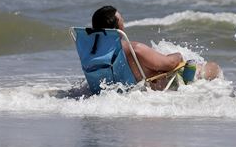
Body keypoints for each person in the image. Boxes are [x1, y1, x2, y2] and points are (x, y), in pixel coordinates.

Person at [91, 6, 222, 89]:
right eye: (122, 20)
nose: (124, 22)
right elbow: (170, 64)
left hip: (115, 86)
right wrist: (178, 55)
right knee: (212, 67)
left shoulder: (94, 52)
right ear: (118, 29)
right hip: (158, 84)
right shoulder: (134, 49)